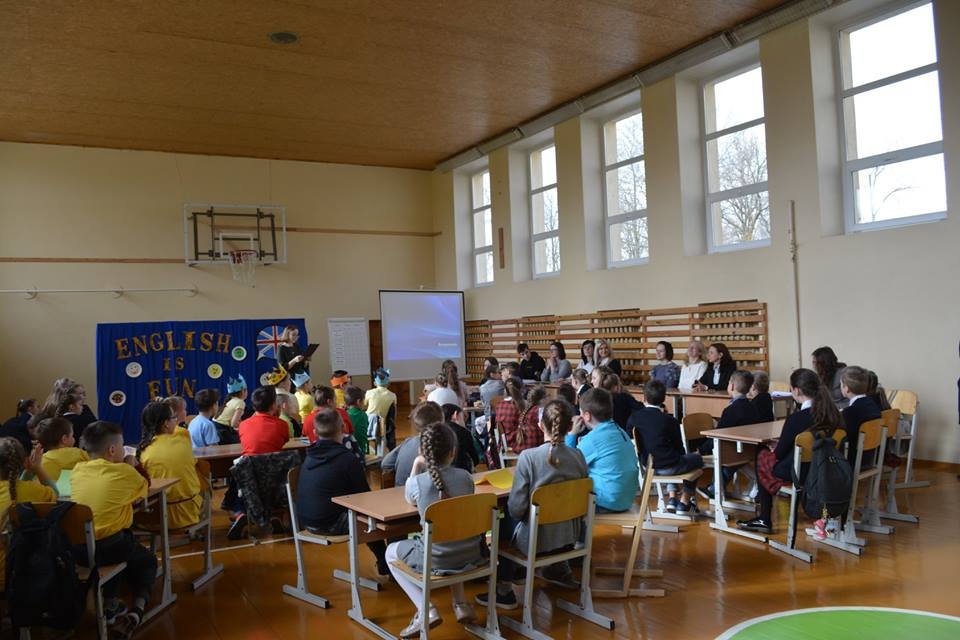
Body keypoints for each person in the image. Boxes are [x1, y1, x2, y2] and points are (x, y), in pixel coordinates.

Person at [477, 399, 588, 609]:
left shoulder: (528, 458)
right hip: (569, 537)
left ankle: (504, 588)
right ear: (569, 428)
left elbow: (516, 509)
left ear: (540, 425)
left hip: (536, 542)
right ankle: (556, 568)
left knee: (502, 517)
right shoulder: (578, 456)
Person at [386, 422, 484, 636]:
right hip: (470, 553)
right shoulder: (466, 478)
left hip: (435, 560)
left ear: (422, 452)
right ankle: (460, 604)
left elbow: (409, 498)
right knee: (453, 536)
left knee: (390, 552)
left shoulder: (418, 483)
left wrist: (416, 465)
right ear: (453, 452)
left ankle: (426, 609)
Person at [72, 421, 156, 638]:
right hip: (110, 547)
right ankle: (138, 609)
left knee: (120, 548)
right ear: (112, 450)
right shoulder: (124, 472)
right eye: (121, 445)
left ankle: (111, 604)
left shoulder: (77, 470)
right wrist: (132, 464)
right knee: (146, 559)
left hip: (78, 550)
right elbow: (145, 484)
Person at [737, 369, 843, 535]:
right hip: (828, 467)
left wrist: (776, 446)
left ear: (797, 391)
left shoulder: (796, 419)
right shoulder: (833, 415)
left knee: (762, 454)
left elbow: (779, 454)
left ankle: (764, 517)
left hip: (801, 472)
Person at [295, 407, 390, 580]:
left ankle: (385, 562)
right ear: (343, 429)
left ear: (315, 432)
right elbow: (365, 496)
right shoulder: (347, 459)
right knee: (371, 519)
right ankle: (386, 562)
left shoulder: (308, 456)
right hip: (330, 523)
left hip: (305, 521)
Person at [629, 380, 703, 514]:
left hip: (648, 467)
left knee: (669, 456)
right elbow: (679, 449)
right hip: (669, 467)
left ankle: (672, 498)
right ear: (663, 399)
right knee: (697, 459)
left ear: (644, 398)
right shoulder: (670, 421)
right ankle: (684, 501)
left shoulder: (634, 418)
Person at [0, 437, 58, 596]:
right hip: (15, 574)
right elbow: (55, 495)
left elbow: (13, 488)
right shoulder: (32, 491)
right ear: (24, 462)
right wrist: (37, 469)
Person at [565, 388, 639, 512]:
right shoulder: (620, 431)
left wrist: (571, 435)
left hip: (606, 503)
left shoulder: (593, 439)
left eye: (581, 413)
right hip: (625, 499)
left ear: (587, 416)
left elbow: (567, 464)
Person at [138, 401, 201, 530]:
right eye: (174, 418)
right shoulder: (183, 437)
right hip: (187, 513)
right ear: (166, 423)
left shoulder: (143, 450)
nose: (176, 421)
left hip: (153, 517)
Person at [381, 401, 444, 487]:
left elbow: (385, 463)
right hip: (426, 494)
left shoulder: (407, 442)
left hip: (400, 492)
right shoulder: (442, 446)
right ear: (442, 422)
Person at [840, 366, 881, 468]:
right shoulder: (873, 405)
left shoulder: (850, 412)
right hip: (871, 456)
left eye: (841, 384)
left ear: (846, 388)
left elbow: (843, 437)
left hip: (852, 459)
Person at [495, 378, 542, 455]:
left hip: (504, 441)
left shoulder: (499, 405)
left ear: (505, 390)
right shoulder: (522, 405)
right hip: (517, 440)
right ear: (521, 390)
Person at [238, 387, 289, 456]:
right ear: (273, 405)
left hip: (249, 462)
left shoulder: (242, 425)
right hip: (274, 462)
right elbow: (282, 442)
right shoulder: (282, 424)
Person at [37, 416, 89, 481]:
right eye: (72, 435)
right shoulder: (79, 454)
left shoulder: (41, 462)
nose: (73, 438)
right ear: (64, 439)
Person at [365, 367, 398, 451]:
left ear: (374, 383)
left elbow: (363, 405)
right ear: (388, 383)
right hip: (381, 426)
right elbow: (393, 413)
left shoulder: (369, 392)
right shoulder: (393, 395)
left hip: (366, 424)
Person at [441, 403, 481, 473]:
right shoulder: (463, 432)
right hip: (463, 471)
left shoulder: (437, 432)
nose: (464, 420)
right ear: (455, 415)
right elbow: (475, 459)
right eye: (463, 417)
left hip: (440, 472)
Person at [214, 374, 247, 445]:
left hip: (216, 427)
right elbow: (233, 424)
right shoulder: (240, 402)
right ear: (242, 391)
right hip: (222, 431)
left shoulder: (230, 400)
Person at [344, 386, 370, 455]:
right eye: (363, 400)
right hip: (361, 452)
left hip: (347, 453)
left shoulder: (344, 415)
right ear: (358, 401)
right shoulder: (363, 415)